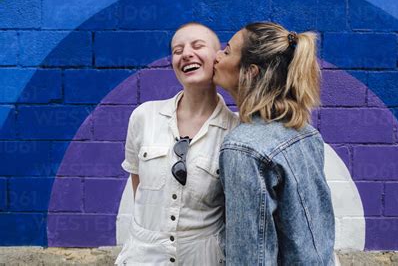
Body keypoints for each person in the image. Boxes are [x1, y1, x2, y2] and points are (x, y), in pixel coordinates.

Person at [115, 22, 239, 265]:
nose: (186, 54)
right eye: (177, 50)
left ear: (217, 58)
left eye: (197, 46)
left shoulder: (236, 130)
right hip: (144, 258)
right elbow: (139, 185)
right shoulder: (144, 116)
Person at [213, 22, 336, 265]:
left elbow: (249, 258)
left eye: (227, 51)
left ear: (251, 72)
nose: (216, 56)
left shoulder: (243, 148)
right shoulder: (306, 133)